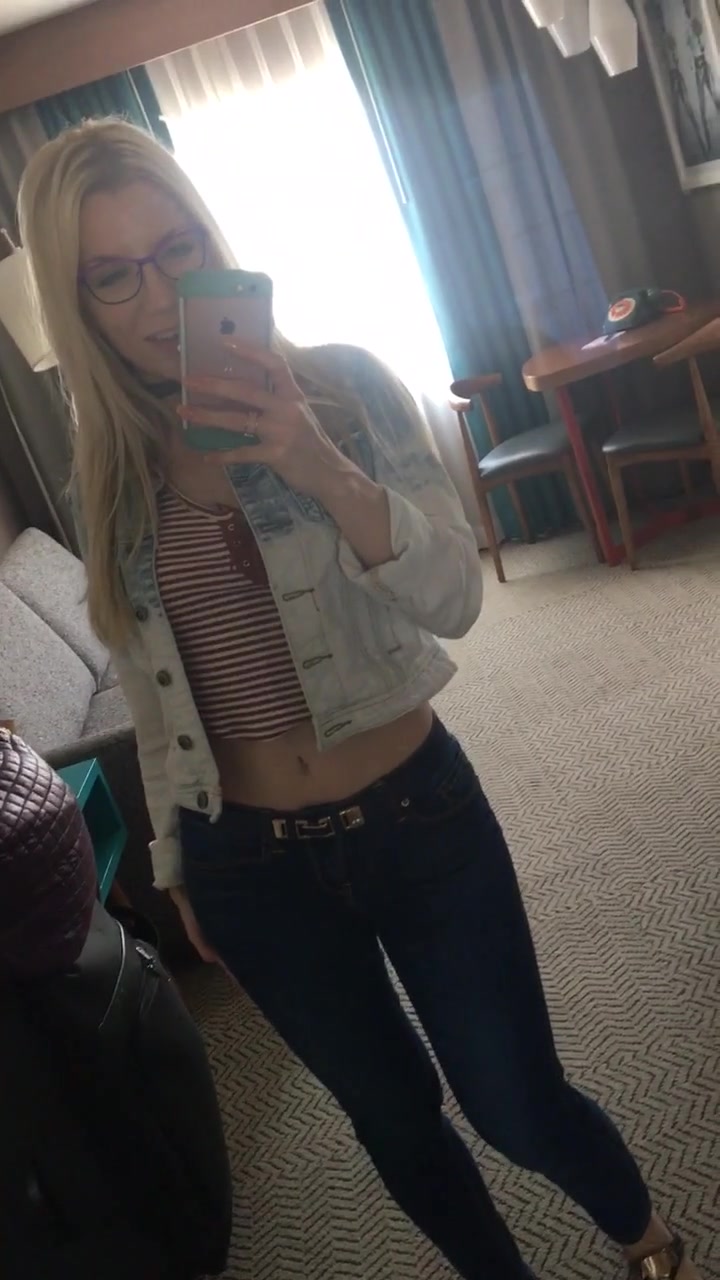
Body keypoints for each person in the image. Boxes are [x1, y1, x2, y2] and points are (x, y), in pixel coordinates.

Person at [18, 118, 696, 1280]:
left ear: (213, 242)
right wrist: (177, 862)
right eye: (111, 275)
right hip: (248, 861)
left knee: (516, 1101)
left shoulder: (344, 389)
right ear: (77, 301)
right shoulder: (108, 472)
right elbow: (153, 690)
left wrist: (313, 461)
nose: (156, 297)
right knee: (393, 1121)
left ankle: (650, 1241)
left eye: (175, 250)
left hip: (417, 816)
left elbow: (456, 598)